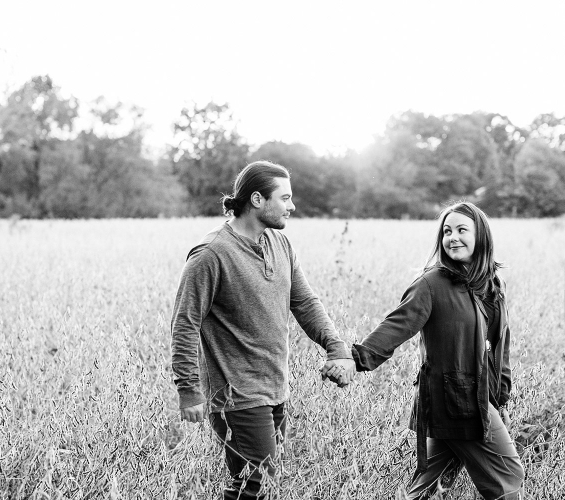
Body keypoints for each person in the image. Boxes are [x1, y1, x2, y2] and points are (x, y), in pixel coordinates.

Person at [171, 160, 356, 499]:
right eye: (284, 198)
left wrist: (336, 346)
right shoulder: (211, 254)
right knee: (257, 485)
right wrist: (188, 389)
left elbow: (304, 302)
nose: (292, 206)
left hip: (275, 387)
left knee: (259, 485)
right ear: (257, 199)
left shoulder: (280, 243)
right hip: (236, 395)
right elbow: (185, 323)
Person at [323, 201, 524, 499]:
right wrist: (357, 359)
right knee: (508, 478)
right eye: (447, 231)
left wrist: (500, 400)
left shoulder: (492, 284)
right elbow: (397, 325)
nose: (452, 237)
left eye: (461, 230)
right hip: (455, 402)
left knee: (429, 486)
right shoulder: (431, 284)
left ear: (481, 235)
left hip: (477, 400)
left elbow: (500, 347)